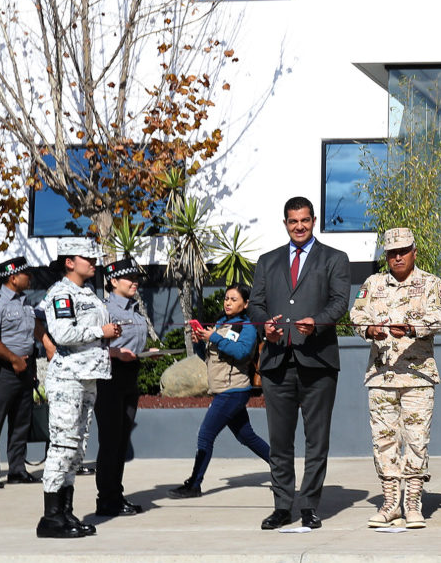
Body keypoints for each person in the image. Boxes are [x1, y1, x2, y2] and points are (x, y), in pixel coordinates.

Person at [251, 196, 350, 531]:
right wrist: (266, 325)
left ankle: (309, 506)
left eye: (304, 220)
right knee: (280, 442)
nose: (299, 226)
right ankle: (282, 506)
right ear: (285, 223)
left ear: (314, 220)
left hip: (318, 361)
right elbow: (255, 304)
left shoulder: (334, 258)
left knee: (316, 441)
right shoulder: (267, 261)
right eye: (293, 221)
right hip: (278, 361)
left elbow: (339, 302)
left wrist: (317, 321)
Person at [349, 227, 441, 529]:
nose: (398, 257)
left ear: (414, 252)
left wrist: (410, 327)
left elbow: (440, 317)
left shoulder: (430, 283)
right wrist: (370, 330)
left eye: (403, 251)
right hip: (381, 376)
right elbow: (356, 316)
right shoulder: (373, 283)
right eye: (392, 253)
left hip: (417, 375)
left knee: (416, 441)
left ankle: (413, 503)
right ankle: (391, 502)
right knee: (384, 442)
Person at [37, 237, 120, 539]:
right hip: (68, 377)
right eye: (87, 258)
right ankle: (50, 517)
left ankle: (65, 511)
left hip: (89, 375)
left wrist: (106, 336)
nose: (93, 263)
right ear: (69, 262)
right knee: (62, 444)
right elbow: (61, 332)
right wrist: (101, 330)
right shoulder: (60, 293)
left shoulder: (90, 294)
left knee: (77, 446)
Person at [169, 285, 271, 498]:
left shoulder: (247, 327)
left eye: (234, 299)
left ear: (245, 304)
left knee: (205, 435)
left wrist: (214, 338)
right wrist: (200, 343)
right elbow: (209, 358)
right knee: (247, 436)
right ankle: (281, 468)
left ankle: (194, 484)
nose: (227, 303)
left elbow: (243, 353)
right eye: (226, 298)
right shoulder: (220, 324)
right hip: (223, 390)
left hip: (233, 390)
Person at [0, 256, 44, 488]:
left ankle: (17, 469)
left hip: (25, 369)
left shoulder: (26, 303)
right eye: (26, 274)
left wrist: (46, 344)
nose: (31, 278)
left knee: (20, 423)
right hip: (4, 370)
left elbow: (35, 328)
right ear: (13, 277)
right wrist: (14, 359)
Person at [94, 258, 150, 517]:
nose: (134, 282)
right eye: (129, 278)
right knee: (110, 440)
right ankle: (106, 498)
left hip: (130, 376)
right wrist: (116, 354)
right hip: (109, 378)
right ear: (113, 281)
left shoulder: (136, 312)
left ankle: (116, 495)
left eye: (136, 278)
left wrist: (149, 353)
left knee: (121, 438)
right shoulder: (102, 310)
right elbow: (91, 346)